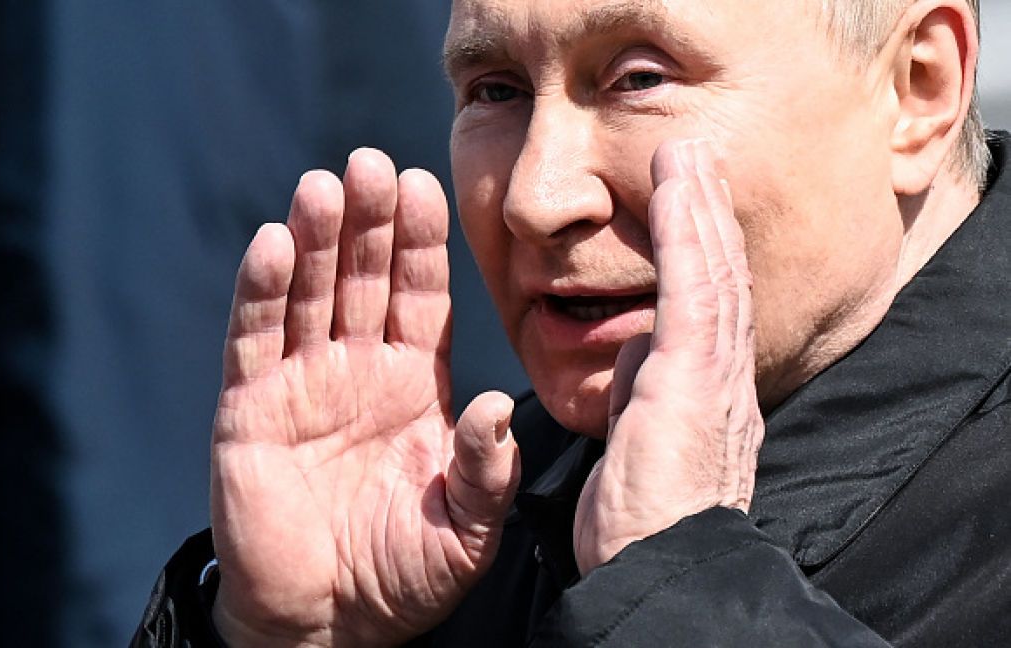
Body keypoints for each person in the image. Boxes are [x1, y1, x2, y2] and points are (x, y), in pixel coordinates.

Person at [132, 0, 1011, 645]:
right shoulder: (473, 511)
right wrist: (277, 634)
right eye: (496, 89)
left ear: (917, 88)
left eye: (640, 79)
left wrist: (677, 583)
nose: (534, 196)